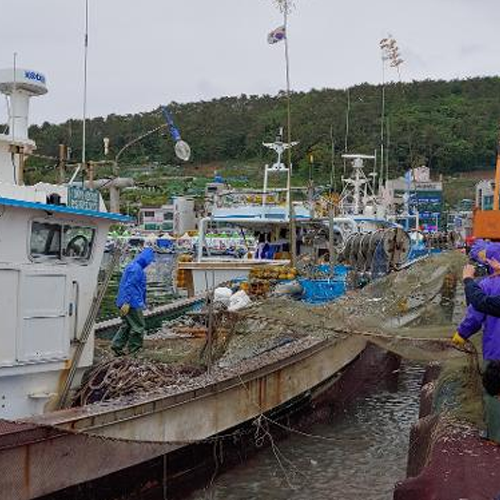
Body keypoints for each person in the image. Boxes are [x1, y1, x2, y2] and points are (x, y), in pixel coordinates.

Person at [452, 243, 500, 442]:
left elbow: (475, 315)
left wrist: (461, 334)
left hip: (495, 352)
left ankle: (495, 433)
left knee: (493, 391)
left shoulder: (488, 285)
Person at [112, 247, 155, 356]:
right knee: (138, 326)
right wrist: (127, 302)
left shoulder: (134, 267)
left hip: (127, 301)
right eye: (149, 261)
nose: (149, 264)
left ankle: (117, 346)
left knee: (127, 324)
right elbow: (129, 286)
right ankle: (134, 351)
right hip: (131, 302)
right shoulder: (136, 269)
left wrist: (144, 304)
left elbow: (140, 289)